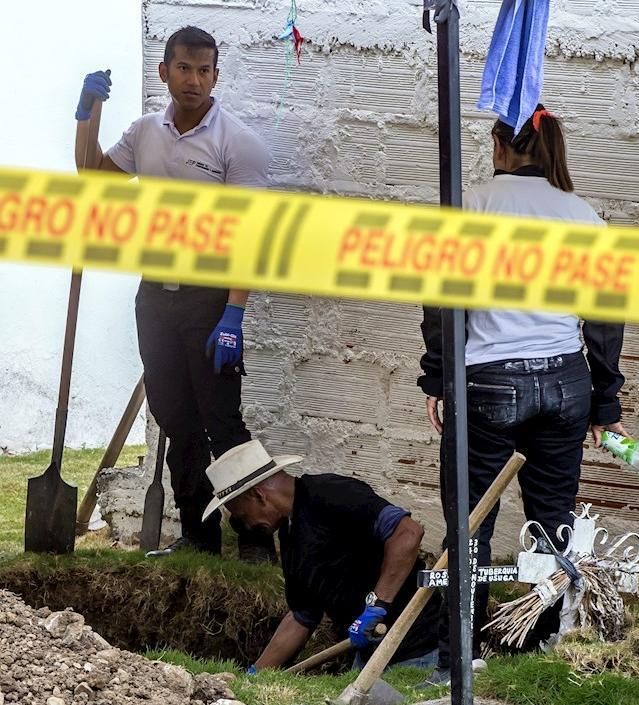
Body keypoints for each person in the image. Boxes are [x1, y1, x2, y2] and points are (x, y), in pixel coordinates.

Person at [416, 104, 627, 686]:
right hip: (565, 380)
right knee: (552, 521)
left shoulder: (470, 206)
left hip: (488, 381)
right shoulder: (583, 215)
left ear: (499, 147)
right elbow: (606, 317)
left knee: (471, 524)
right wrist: (605, 404)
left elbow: (441, 300)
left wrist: (437, 375)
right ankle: (540, 649)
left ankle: (455, 662)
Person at [74, 26, 277, 560]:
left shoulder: (237, 143)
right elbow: (92, 174)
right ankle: (196, 537)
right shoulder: (144, 133)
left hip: (209, 300)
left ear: (216, 75)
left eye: (205, 70)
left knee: (223, 422)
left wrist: (234, 312)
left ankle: (257, 540)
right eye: (184, 69)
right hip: (155, 300)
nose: (195, 80)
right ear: (164, 73)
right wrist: (87, 111)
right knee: (176, 422)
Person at [203, 440, 442, 671]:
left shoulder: (331, 494)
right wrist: (256, 673)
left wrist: (377, 604)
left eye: (242, 515)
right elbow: (302, 616)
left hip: (417, 651)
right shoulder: (289, 536)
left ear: (259, 496)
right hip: (369, 657)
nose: (246, 525)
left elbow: (408, 533)